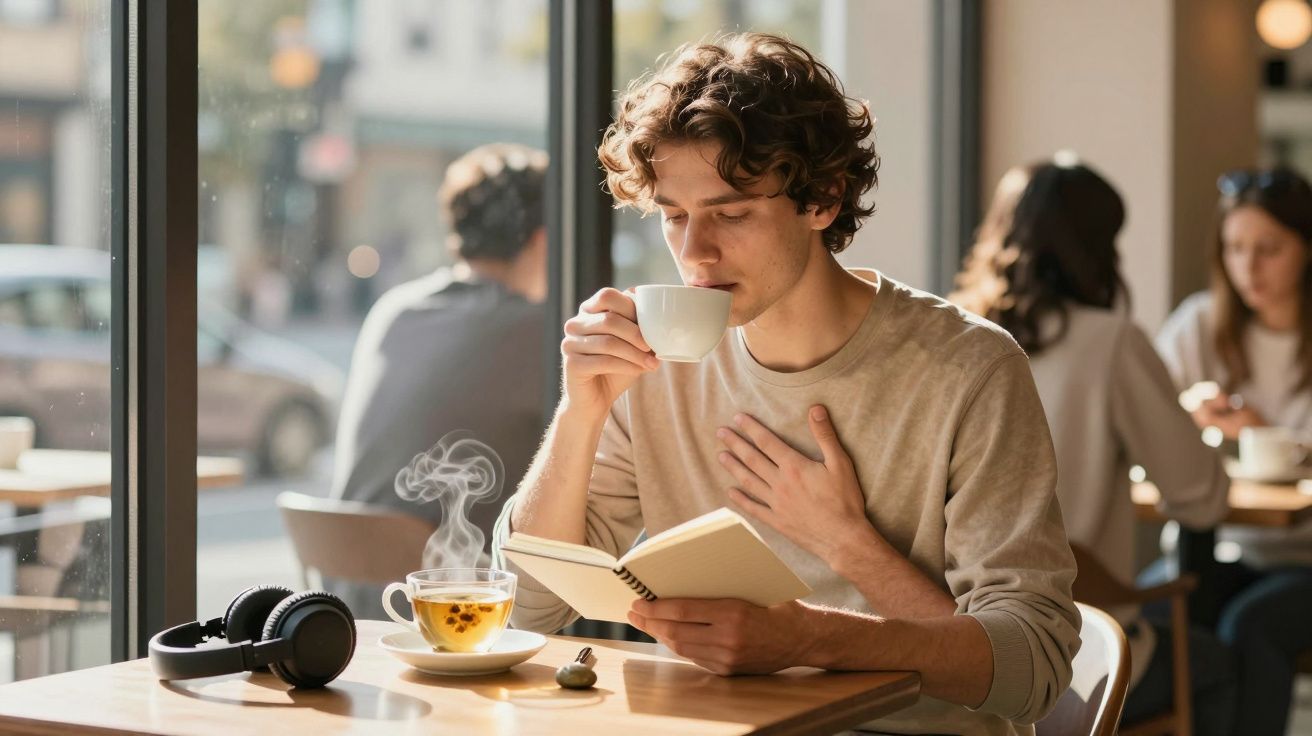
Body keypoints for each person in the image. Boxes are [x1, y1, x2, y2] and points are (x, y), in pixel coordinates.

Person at [493, 34, 1079, 735]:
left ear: (824, 199)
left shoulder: (970, 369)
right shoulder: (652, 367)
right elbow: (527, 606)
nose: (694, 253)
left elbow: (1034, 670)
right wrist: (580, 412)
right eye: (675, 217)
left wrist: (837, 577)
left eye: (732, 212)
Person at [951, 158, 1235, 732]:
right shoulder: (1110, 344)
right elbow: (1202, 498)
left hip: (962, 657)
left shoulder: (953, 333)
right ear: (1097, 246)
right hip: (1076, 661)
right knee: (1220, 660)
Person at [328, 143, 549, 617]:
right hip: (454, 615)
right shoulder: (541, 331)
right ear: (543, 239)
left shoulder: (393, 311)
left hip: (343, 609)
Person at [1155, 166, 1312, 736]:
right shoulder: (1199, 324)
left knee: (1251, 625)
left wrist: (1261, 431)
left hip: (1303, 557)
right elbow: (1147, 421)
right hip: (1221, 547)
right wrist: (1183, 421)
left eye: (1269, 249)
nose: (1249, 268)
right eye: (1236, 248)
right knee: (1153, 616)